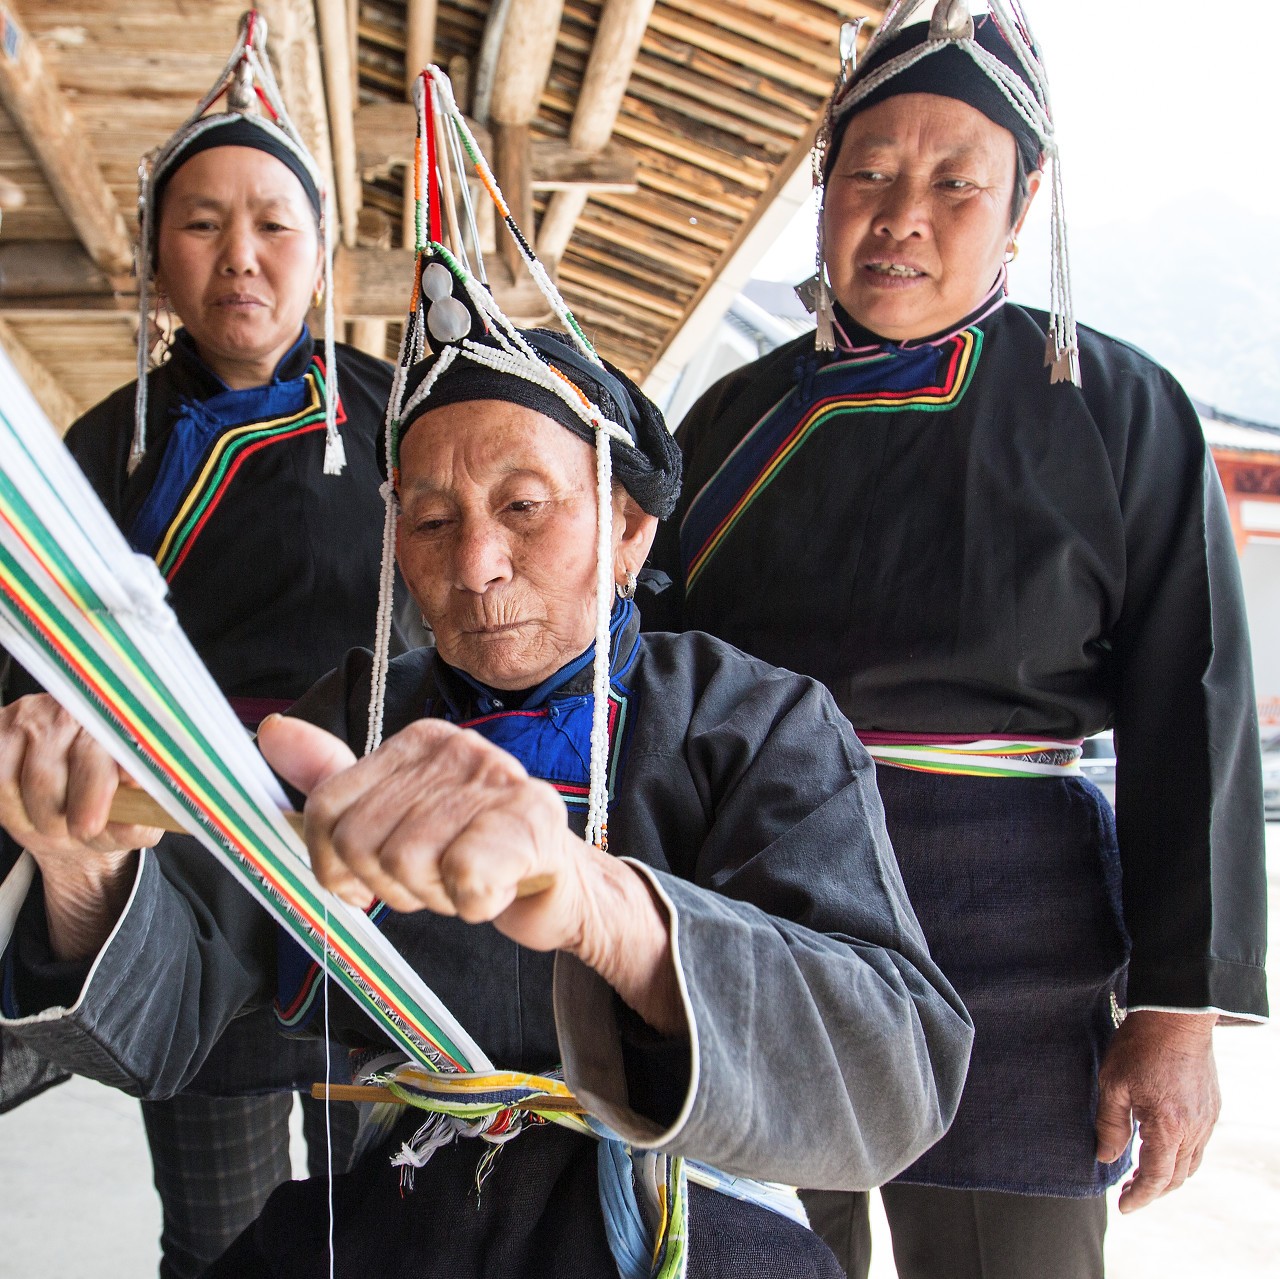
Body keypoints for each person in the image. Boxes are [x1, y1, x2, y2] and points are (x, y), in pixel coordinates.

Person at [0, 319, 973, 1277]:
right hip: (399, 1210)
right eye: (431, 521)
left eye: (524, 506)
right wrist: (81, 861)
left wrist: (597, 904)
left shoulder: (756, 722)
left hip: (680, 1219)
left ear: (628, 528)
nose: (474, 565)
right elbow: (165, 1016)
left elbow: (897, 1075)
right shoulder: (352, 719)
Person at [640, 5, 1269, 1278]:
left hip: (1015, 946)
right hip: (763, 924)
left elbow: (1190, 705)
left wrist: (1173, 1010)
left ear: (1022, 206)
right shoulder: (726, 423)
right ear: (823, 188)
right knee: (747, 1253)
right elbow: (649, 687)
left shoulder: (1115, 410)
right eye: (868, 174)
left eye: (953, 185)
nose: (900, 217)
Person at [0, 15, 401, 1277]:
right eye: (202, 223)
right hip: (170, 885)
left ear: (321, 250)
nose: (241, 256)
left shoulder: (404, 423)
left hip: (362, 880)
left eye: (274, 223)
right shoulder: (95, 450)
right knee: (221, 1239)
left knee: (393, 1224)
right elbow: (33, 657)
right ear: (155, 255)